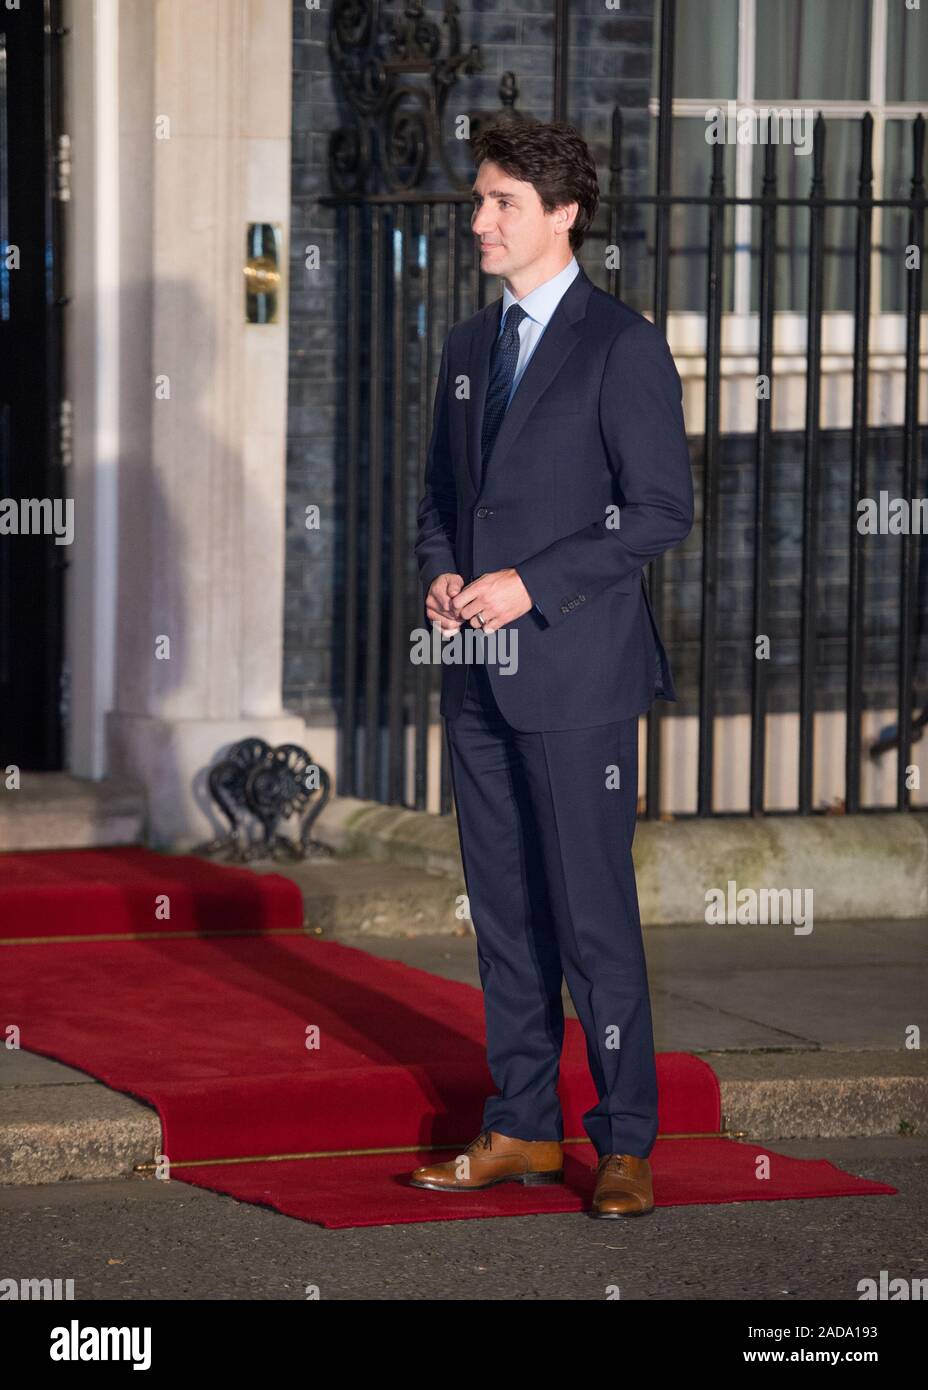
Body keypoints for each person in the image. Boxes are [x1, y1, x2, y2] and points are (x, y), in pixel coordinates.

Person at [411, 119, 693, 1217]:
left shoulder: (621, 344)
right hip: (475, 671)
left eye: (501, 204)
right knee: (504, 911)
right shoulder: (466, 348)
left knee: (589, 913)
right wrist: (443, 576)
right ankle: (522, 1125)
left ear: (563, 213)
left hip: (576, 676)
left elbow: (661, 510)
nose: (479, 221)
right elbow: (444, 496)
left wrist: (530, 582)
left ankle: (623, 1139)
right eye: (478, 202)